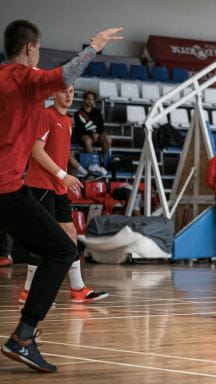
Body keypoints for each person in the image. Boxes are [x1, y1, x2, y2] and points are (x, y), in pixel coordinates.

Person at [0, 19, 121, 373]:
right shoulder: (22, 78)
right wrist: (94, 46)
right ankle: (23, 337)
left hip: (11, 187)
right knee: (63, 250)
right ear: (29, 48)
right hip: (7, 188)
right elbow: (66, 74)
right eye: (38, 48)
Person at [20, 85, 108, 305]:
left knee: (70, 233)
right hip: (41, 186)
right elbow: (36, 151)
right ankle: (28, 291)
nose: (69, 95)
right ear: (53, 94)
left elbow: (62, 154)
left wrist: (73, 175)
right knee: (43, 238)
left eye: (71, 92)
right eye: (64, 91)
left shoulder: (67, 121)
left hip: (58, 186)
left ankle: (78, 289)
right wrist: (62, 175)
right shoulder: (45, 116)